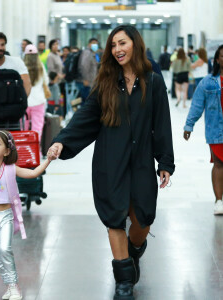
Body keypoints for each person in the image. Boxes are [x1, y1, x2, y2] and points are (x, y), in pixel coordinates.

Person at [47, 25, 175, 300]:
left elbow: (162, 123)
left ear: (135, 44)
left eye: (122, 43)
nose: (117, 49)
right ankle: (124, 283)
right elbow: (86, 116)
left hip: (140, 159)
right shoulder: (105, 81)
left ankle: (134, 252)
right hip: (110, 160)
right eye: (113, 45)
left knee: (143, 217)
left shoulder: (152, 80)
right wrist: (62, 140)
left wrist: (165, 161)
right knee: (115, 218)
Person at [0, 130, 51, 300]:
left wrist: (48, 160)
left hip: (5, 215)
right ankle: (9, 286)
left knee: (5, 248)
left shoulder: (11, 169)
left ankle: (14, 287)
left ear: (7, 151)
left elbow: (33, 173)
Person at [184, 44, 223, 215]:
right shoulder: (208, 82)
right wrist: (189, 125)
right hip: (216, 130)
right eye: (222, 56)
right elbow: (197, 105)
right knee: (219, 164)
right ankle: (219, 201)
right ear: (217, 60)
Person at [23, 44, 49, 143]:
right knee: (37, 128)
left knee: (24, 128)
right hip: (39, 101)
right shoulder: (41, 67)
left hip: (24, 102)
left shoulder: (21, 67)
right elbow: (46, 81)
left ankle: (24, 148)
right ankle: (36, 150)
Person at [76, 38, 99, 104]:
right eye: (93, 43)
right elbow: (84, 66)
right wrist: (85, 79)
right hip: (86, 82)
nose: (95, 45)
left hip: (90, 82)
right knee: (85, 102)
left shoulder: (92, 53)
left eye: (96, 43)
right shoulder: (87, 53)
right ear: (89, 44)